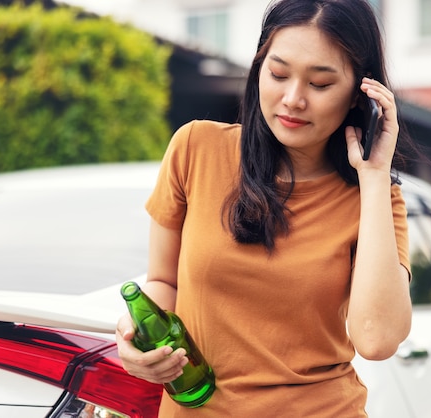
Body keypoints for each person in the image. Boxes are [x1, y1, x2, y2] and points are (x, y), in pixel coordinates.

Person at [116, 0, 414, 416]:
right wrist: (135, 340)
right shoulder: (195, 149)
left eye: (321, 84)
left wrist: (375, 173)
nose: (293, 99)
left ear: (356, 95)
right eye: (278, 74)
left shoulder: (376, 197)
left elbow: (378, 340)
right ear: (259, 69)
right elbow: (164, 281)